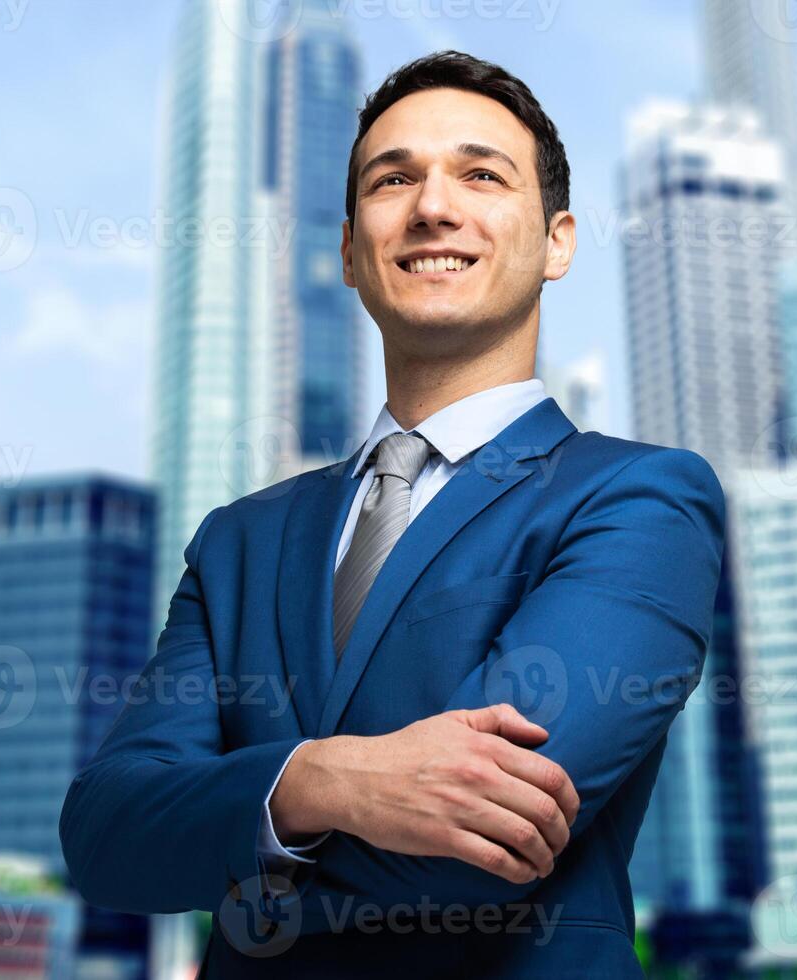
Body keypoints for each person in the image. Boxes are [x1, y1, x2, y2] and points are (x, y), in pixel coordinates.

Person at [60, 49, 725, 978]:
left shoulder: (638, 500)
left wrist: (236, 828)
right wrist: (325, 782)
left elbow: (480, 837)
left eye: (481, 175)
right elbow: (106, 834)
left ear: (558, 241)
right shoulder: (238, 542)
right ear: (347, 249)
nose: (432, 207)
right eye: (394, 178)